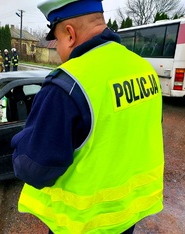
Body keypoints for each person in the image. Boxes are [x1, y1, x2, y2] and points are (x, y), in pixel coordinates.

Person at [11, 0, 164, 233]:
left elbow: (34, 169)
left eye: (57, 40)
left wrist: (22, 140)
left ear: (70, 34)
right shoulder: (143, 68)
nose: (58, 49)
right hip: (126, 217)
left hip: (83, 225)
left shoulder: (66, 84)